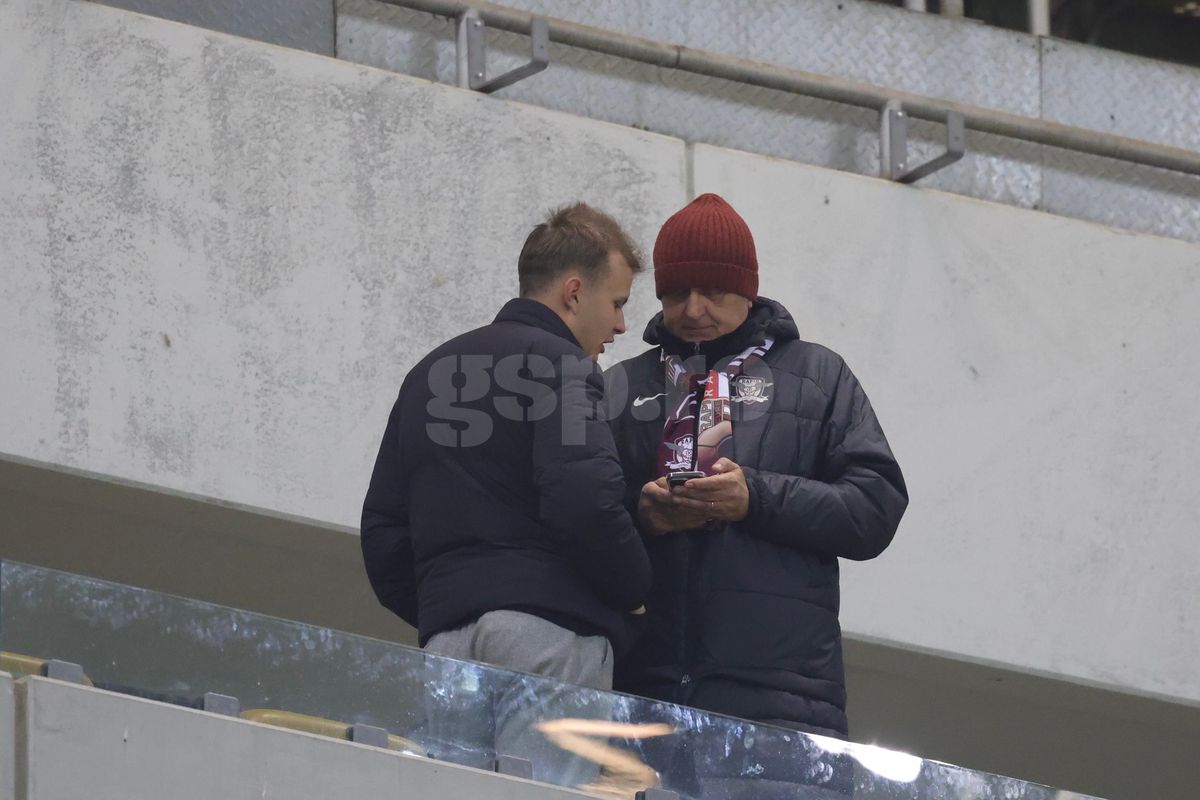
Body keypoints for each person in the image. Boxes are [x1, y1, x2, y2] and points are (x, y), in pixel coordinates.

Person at [360, 202, 652, 783]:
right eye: (617, 303)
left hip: (447, 646)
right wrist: (635, 589)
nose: (621, 326)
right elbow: (583, 496)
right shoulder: (565, 366)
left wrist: (450, 603)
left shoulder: (429, 373)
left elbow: (384, 534)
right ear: (574, 292)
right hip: (548, 634)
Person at [606, 193, 908, 746]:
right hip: (639, 698)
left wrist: (756, 499)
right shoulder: (623, 385)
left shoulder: (817, 375)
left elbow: (876, 507)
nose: (693, 308)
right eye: (676, 292)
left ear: (748, 290)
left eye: (712, 291)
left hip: (781, 707)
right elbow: (578, 519)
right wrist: (643, 515)